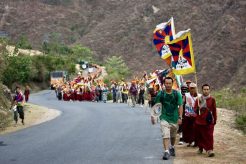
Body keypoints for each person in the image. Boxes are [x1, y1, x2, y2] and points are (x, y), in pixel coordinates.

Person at [151, 77, 183, 160]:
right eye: (166, 83)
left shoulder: (177, 94)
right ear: (164, 84)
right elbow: (157, 106)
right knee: (165, 134)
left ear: (172, 84)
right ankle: (166, 151)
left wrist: (180, 117)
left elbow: (180, 106)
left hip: (174, 118)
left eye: (169, 83)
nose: (168, 85)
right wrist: (153, 116)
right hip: (164, 117)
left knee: (173, 136)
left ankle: (172, 146)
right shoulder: (160, 94)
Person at [194, 84, 217, 157]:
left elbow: (214, 110)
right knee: (200, 136)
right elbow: (195, 110)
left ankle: (210, 150)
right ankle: (201, 148)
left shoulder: (212, 99)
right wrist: (198, 108)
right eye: (204, 89)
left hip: (209, 121)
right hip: (199, 121)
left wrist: (215, 120)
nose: (206, 91)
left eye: (207, 89)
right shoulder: (198, 99)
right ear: (202, 90)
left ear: (209, 90)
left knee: (209, 136)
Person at [182, 82, 200, 147]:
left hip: (196, 115)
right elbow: (182, 103)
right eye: (191, 88)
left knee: (195, 128)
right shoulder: (186, 95)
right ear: (189, 89)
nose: (192, 89)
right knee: (188, 129)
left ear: (196, 89)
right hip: (188, 114)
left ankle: (196, 141)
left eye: (194, 88)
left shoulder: (199, 96)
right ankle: (190, 141)